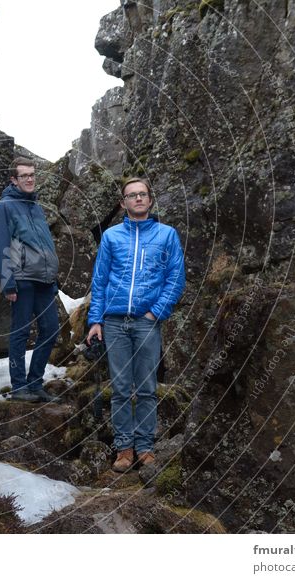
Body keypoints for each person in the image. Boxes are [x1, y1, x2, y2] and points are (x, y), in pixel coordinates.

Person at [86, 177, 185, 471]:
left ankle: (144, 446)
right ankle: (124, 449)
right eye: (132, 195)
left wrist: (156, 313)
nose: (138, 199)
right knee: (119, 389)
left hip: (146, 322)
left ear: (150, 200)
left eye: (143, 194)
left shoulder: (167, 235)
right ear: (123, 203)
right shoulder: (111, 237)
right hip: (114, 322)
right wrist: (95, 320)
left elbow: (175, 278)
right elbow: (100, 280)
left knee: (146, 387)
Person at [0, 157, 60, 403]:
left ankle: (35, 383)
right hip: (21, 280)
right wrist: (7, 282)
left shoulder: (36, 207)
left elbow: (45, 244)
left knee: (51, 329)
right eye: (24, 176)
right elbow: (1, 246)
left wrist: (53, 276)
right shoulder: (4, 207)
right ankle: (19, 387)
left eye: (32, 175)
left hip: (44, 281)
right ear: (14, 180)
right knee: (20, 333)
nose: (30, 179)